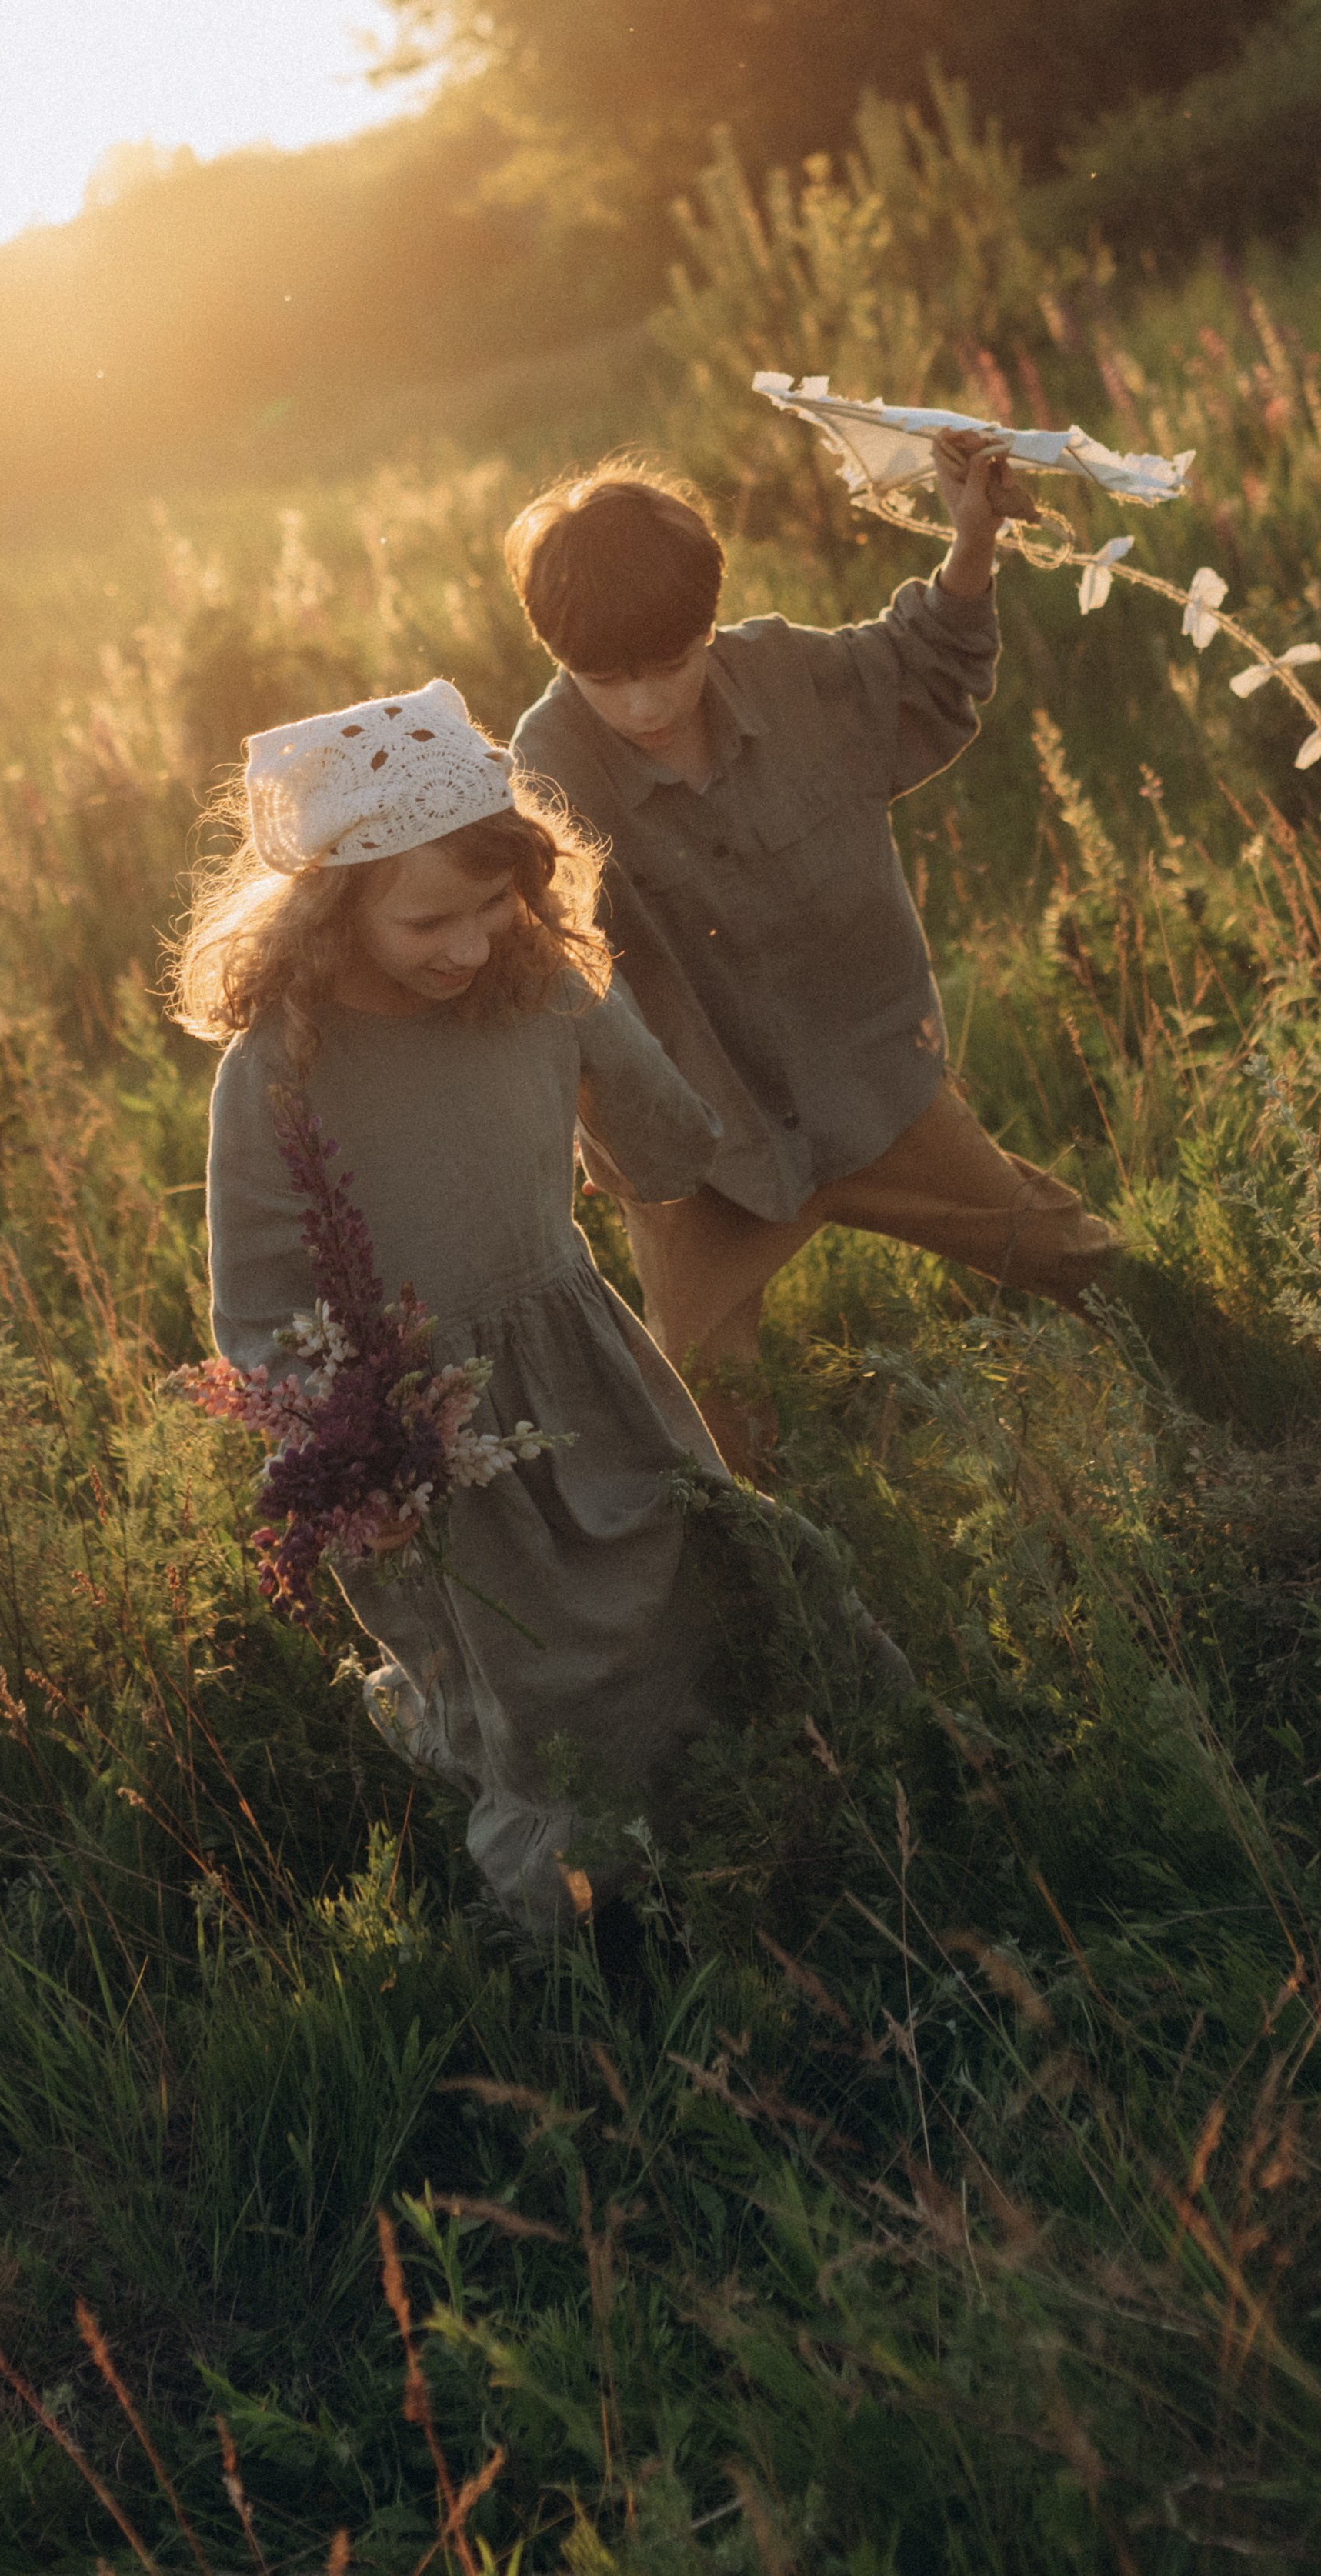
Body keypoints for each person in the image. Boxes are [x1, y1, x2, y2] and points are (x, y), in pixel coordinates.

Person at [172, 677, 745, 1930]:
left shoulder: (536, 981)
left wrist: (604, 1022)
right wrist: (351, 1467)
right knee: (530, 1687)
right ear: (335, 906)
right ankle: (575, 1928)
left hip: (588, 1378)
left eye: (496, 905)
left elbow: (665, 1149)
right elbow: (258, 1311)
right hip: (421, 1442)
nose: (472, 946)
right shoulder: (277, 1067)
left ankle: (733, 1831)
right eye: (430, 919)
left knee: (688, 1598)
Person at [506, 435, 1117, 1478]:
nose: (644, 705)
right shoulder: (542, 769)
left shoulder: (793, 675)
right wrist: (610, 1125)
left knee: (1062, 1248)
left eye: (670, 665)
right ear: (559, 656)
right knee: (709, 1406)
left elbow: (925, 665)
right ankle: (773, 1557)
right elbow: (545, 967)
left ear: (708, 623)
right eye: (606, 680)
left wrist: (973, 538)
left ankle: (1215, 1347)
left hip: (866, 1081)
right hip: (699, 1144)